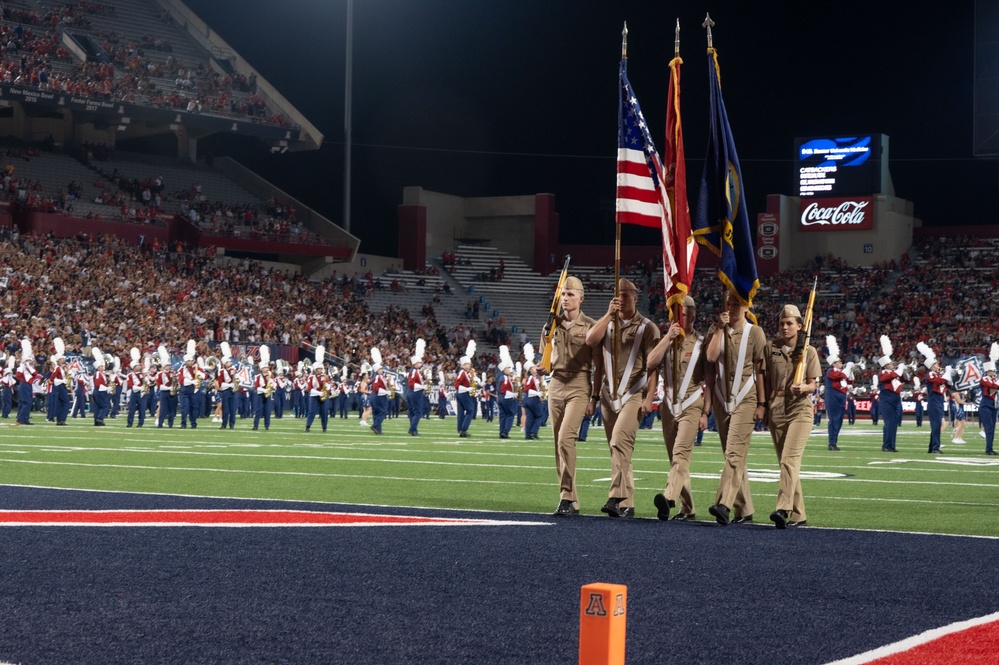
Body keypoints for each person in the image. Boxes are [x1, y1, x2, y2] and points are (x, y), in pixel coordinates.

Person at [585, 278, 660, 519]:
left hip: (634, 393)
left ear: (636, 297)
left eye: (626, 295)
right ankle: (628, 503)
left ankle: (615, 496)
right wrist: (608, 314)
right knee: (618, 449)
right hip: (609, 395)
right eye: (618, 294)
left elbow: (653, 366)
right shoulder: (607, 324)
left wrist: (650, 397)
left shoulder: (648, 327)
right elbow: (590, 341)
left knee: (619, 441)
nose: (621, 298)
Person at [705, 290, 767, 526]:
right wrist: (719, 329)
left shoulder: (755, 332)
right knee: (734, 456)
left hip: (747, 398)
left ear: (746, 307)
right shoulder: (716, 330)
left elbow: (761, 371)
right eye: (728, 304)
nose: (731, 308)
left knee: (733, 453)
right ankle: (745, 510)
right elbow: (711, 358)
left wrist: (762, 403)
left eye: (736, 305)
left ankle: (724, 504)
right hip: (723, 400)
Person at [647, 295, 705, 522]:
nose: (678, 319)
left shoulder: (701, 343)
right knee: (676, 460)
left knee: (681, 455)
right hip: (669, 406)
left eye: (682, 315)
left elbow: (710, 376)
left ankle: (668, 497)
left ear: (692, 316)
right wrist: (666, 339)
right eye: (675, 315)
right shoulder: (668, 340)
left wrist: (705, 411)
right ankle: (688, 508)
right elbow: (651, 363)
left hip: (691, 404)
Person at [764, 304, 821, 529]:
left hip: (800, 408)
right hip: (777, 407)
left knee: (789, 460)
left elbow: (813, 384)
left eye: (789, 323)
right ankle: (799, 515)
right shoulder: (771, 348)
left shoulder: (809, 351)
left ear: (800, 325)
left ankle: (783, 508)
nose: (785, 327)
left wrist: (804, 388)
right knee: (786, 464)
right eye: (782, 324)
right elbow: (765, 378)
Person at [545, 276, 597, 517]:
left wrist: (594, 396)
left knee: (566, 438)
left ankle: (567, 496)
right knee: (558, 444)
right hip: (555, 384)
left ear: (581, 298)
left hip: (579, 384)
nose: (566, 299)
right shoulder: (550, 325)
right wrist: (539, 367)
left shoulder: (590, 326)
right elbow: (546, 360)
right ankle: (569, 500)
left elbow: (599, 365)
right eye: (563, 295)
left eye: (571, 295)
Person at [876, 336, 905, 453]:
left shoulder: (893, 373)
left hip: (896, 399)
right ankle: (886, 445)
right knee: (889, 423)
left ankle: (891, 445)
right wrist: (899, 370)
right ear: (885, 365)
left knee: (894, 424)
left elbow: (904, 380)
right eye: (890, 363)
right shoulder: (882, 373)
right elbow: (890, 376)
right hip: (887, 400)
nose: (892, 364)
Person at [919, 343, 948, 454]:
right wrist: (946, 375)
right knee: (936, 424)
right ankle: (935, 447)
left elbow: (946, 384)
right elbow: (939, 382)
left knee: (937, 425)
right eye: (935, 364)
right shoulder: (931, 374)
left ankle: (932, 447)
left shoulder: (937, 374)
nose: (938, 365)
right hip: (934, 401)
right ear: (931, 366)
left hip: (939, 400)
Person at [823, 336, 850, 451]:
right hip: (833, 396)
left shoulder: (838, 371)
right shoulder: (831, 371)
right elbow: (842, 376)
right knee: (834, 419)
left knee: (839, 420)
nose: (841, 363)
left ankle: (834, 442)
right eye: (838, 362)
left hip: (841, 397)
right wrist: (848, 368)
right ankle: (831, 442)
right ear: (833, 363)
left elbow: (847, 381)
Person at [453, 341, 476, 438]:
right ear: (462, 365)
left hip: (463, 393)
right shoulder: (462, 373)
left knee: (461, 412)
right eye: (466, 364)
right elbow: (456, 384)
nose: (469, 366)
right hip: (463, 393)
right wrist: (468, 389)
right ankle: (464, 429)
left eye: (469, 364)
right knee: (470, 410)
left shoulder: (466, 373)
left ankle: (460, 429)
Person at [980, 344, 999, 456]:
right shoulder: (983, 379)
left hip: (994, 405)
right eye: (992, 370)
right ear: (988, 371)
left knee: (992, 428)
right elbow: (993, 386)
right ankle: (988, 449)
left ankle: (990, 448)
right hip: (986, 405)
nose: (994, 372)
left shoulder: (994, 379)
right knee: (989, 428)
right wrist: (995, 383)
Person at [406, 341, 427, 436]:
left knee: (412, 412)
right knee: (418, 412)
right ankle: (413, 429)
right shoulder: (414, 372)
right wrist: (423, 386)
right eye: (419, 362)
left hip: (412, 393)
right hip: (415, 393)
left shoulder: (415, 371)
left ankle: (413, 428)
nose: (421, 364)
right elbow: (411, 384)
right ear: (415, 364)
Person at [496, 347, 517, 439]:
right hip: (506, 398)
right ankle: (505, 431)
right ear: (504, 369)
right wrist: (514, 394)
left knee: (503, 415)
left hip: (501, 398)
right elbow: (503, 390)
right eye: (508, 368)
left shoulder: (502, 377)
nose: (509, 370)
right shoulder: (505, 378)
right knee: (510, 414)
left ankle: (501, 432)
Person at [521, 352, 543, 440]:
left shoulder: (535, 377)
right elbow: (527, 389)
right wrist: (538, 393)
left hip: (530, 398)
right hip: (532, 398)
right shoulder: (531, 377)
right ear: (530, 369)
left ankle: (528, 435)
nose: (536, 368)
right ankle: (533, 432)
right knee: (539, 415)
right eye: (534, 367)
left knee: (530, 417)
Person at [252, 354, 275, 431]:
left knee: (267, 411)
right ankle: (255, 425)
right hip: (260, 395)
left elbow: (275, 384)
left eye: (267, 367)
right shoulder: (258, 376)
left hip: (268, 395)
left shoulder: (271, 375)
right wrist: (263, 390)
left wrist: (273, 384)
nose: (267, 369)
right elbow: (256, 387)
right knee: (258, 411)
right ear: (261, 369)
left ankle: (267, 426)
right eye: (265, 367)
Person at [370, 349, 389, 435]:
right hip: (379, 396)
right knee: (383, 412)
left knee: (376, 413)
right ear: (377, 370)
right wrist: (386, 392)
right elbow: (377, 389)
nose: (382, 370)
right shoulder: (378, 377)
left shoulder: (379, 377)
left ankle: (378, 430)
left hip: (376, 396)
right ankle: (375, 425)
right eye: (380, 369)